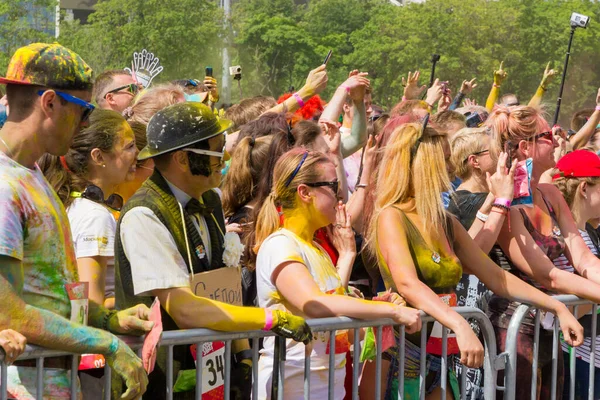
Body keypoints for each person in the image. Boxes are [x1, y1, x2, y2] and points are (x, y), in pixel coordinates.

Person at [366, 119, 583, 400]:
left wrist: (557, 307)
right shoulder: (391, 217)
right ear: (423, 166)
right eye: (442, 160)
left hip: (441, 354)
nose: (448, 168)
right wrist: (458, 324)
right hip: (403, 355)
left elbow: (495, 276)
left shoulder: (445, 221)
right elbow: (407, 284)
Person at [115, 102, 312, 399]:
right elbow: (183, 308)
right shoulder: (144, 215)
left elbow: (221, 286)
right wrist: (271, 319)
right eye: (216, 150)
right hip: (163, 379)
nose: (225, 158)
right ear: (183, 158)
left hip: (214, 372)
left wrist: (243, 352)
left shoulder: (210, 200)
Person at [0, 42, 152, 400]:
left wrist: (108, 319)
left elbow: (49, 293)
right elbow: (11, 314)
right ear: (49, 102)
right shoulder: (5, 187)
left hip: (53, 381)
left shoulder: (32, 173)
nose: (87, 123)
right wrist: (108, 343)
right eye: (84, 110)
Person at [253, 148, 422, 399]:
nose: (341, 194)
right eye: (333, 185)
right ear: (305, 192)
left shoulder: (316, 249)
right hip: (292, 383)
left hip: (326, 384)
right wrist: (393, 311)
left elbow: (335, 316)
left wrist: (374, 308)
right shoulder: (280, 244)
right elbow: (314, 303)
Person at [485, 105, 600, 399]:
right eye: (548, 134)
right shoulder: (506, 202)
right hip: (514, 335)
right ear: (526, 147)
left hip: (551, 330)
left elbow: (584, 259)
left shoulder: (551, 194)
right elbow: (547, 275)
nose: (558, 137)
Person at [39, 109, 138, 310]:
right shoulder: (95, 216)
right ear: (98, 156)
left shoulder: (72, 205)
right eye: (130, 146)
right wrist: (146, 298)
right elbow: (90, 303)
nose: (137, 153)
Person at [551, 150, 600, 400]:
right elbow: (564, 304)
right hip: (578, 355)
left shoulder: (590, 234)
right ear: (584, 188)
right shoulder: (561, 238)